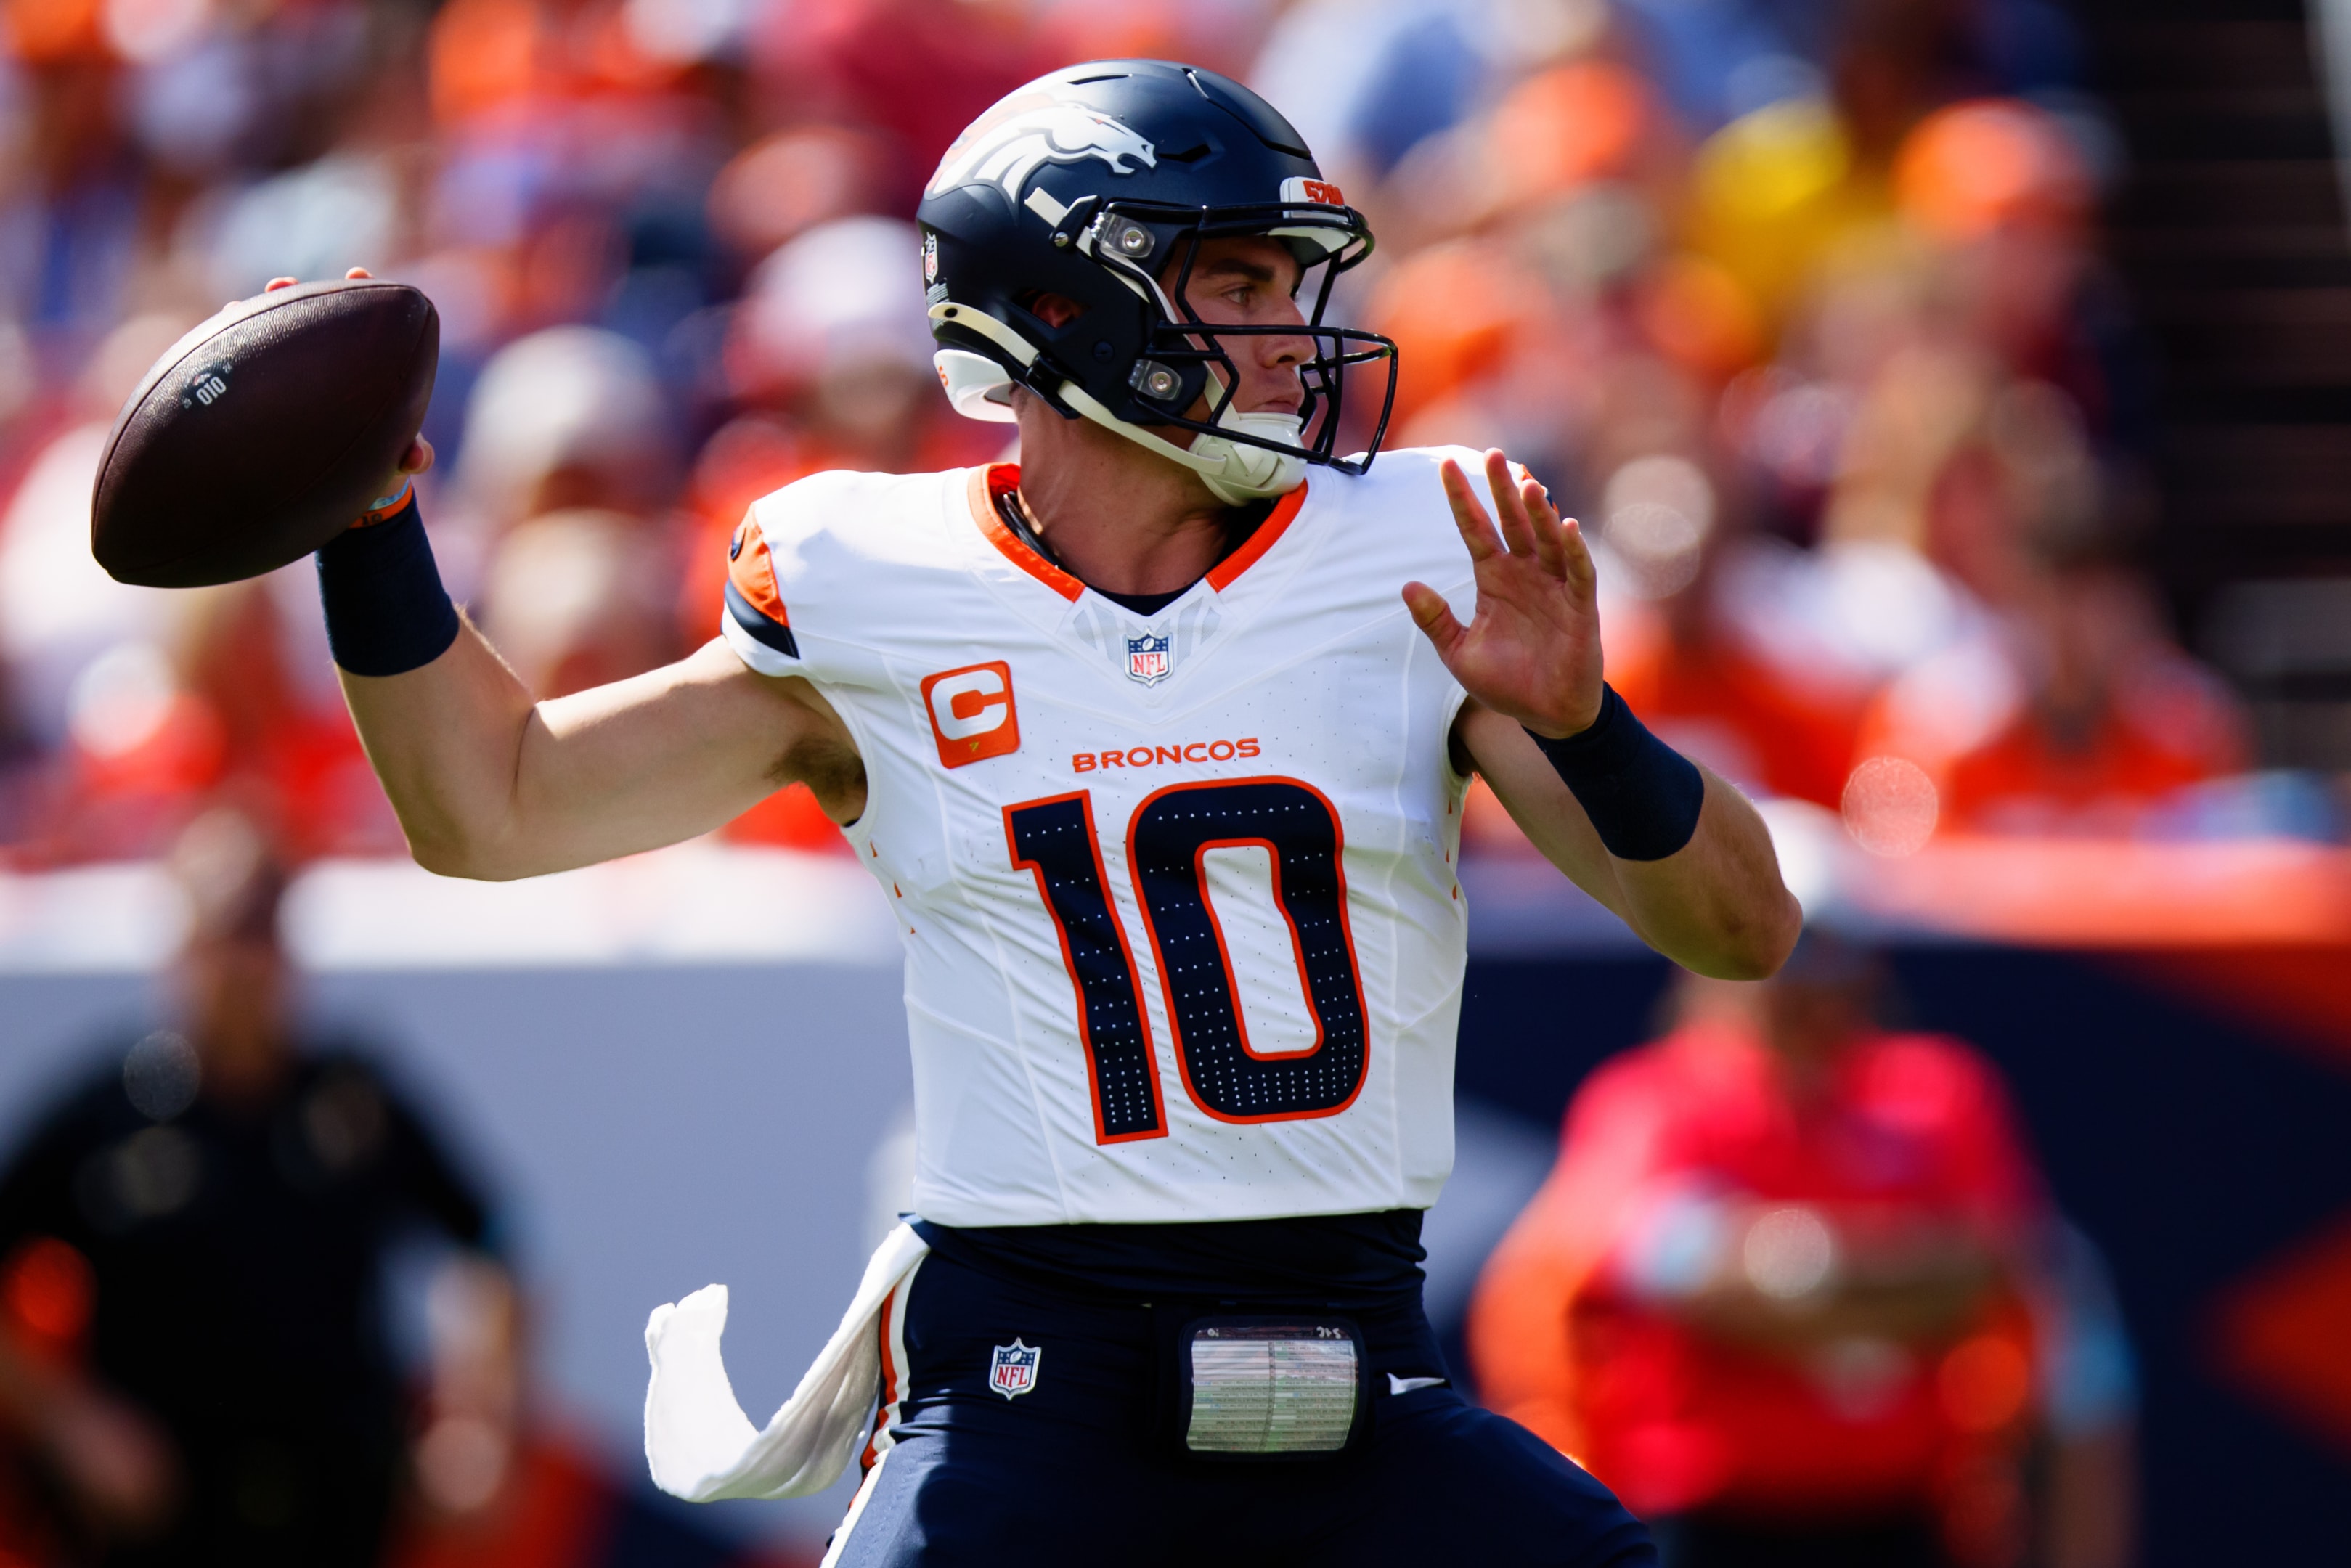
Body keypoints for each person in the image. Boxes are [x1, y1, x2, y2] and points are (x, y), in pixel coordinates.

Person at [307, 60, 1799, 1566]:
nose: (1293, 337)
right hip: (1029, 1392)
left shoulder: (1419, 560)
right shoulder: (873, 589)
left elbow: (1743, 932)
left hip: (1359, 1381)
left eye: (1294, 282)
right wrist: (367, 526)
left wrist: (1582, 725)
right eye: (1233, 278)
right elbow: (492, 809)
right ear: (1068, 303)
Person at [1467, 937, 2133, 1568]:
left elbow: (1992, 1271)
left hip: (1905, 1511)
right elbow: (1689, 1285)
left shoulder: (1941, 1092)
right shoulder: (1652, 1102)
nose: (1802, 980)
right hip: (1705, 1515)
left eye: (1821, 948)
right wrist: (1897, 1291)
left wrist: (1785, 1278)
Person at [0, 807, 516, 1565]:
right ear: (180, 945)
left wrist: (476, 1419)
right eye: (228, 930)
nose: (247, 961)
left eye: (265, 929)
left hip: (341, 1505)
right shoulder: (110, 1111)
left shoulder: (351, 1103)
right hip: (158, 1520)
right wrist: (73, 1425)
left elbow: (494, 1245)